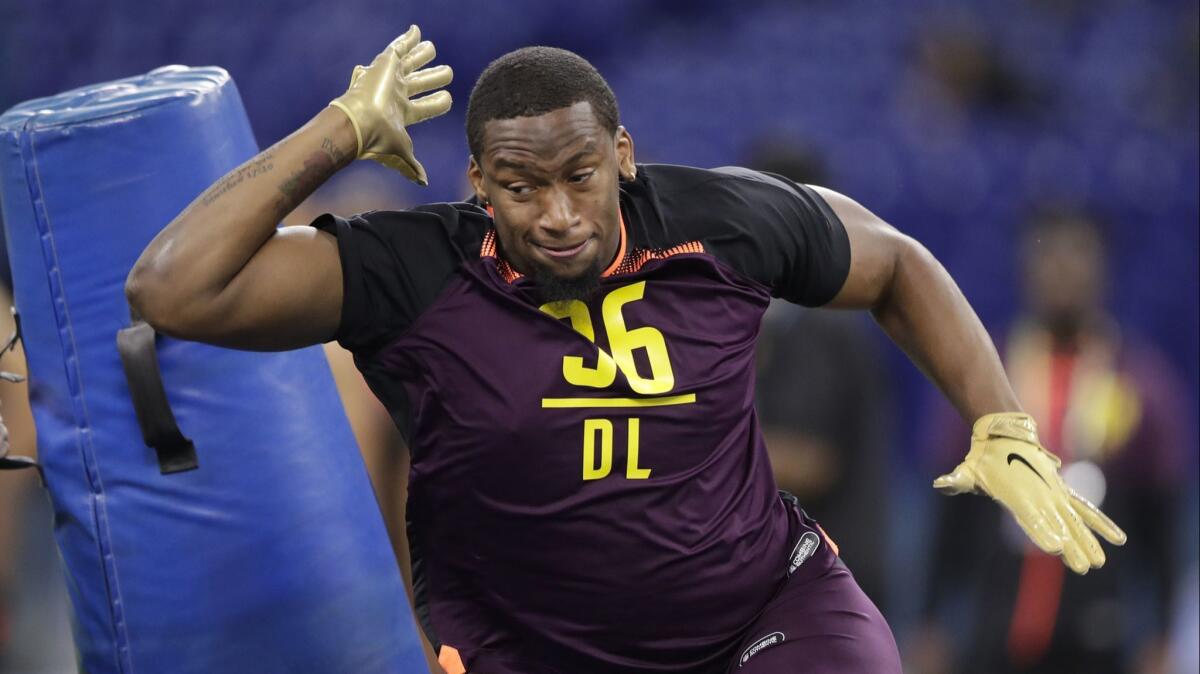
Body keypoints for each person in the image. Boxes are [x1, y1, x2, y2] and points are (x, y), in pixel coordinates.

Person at [124, 27, 1127, 674]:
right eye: (521, 187)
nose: (558, 214)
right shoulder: (414, 267)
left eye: (582, 176)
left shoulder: (718, 221)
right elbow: (171, 286)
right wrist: (338, 130)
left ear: (624, 155)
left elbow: (898, 263)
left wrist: (998, 415)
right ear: (478, 181)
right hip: (529, 646)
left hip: (760, 612)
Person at [913, 209, 1193, 674]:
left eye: (1078, 253)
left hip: (1098, 629)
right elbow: (951, 513)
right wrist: (930, 621)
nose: (1062, 267)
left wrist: (1164, 635)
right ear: (1026, 269)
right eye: (1050, 253)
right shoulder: (984, 375)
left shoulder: (1143, 383)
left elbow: (1161, 521)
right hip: (996, 625)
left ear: (1104, 269)